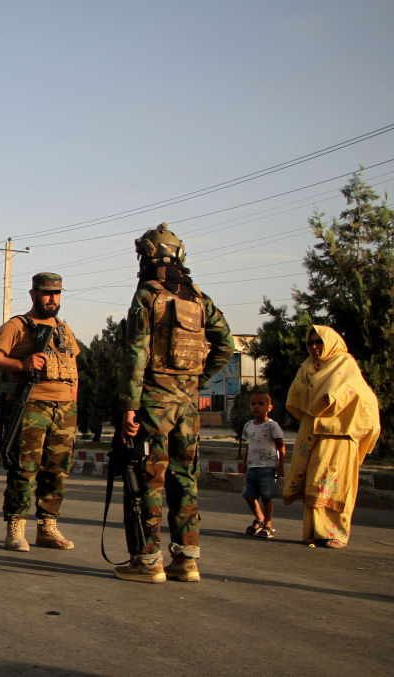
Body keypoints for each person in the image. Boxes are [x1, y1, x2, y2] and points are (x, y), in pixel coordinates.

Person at [115, 223, 234, 583]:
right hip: (188, 407)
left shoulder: (147, 295)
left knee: (150, 479)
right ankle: (186, 560)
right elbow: (226, 345)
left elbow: (137, 352)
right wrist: (196, 379)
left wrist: (129, 405)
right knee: (185, 479)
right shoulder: (198, 297)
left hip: (154, 404)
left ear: (148, 256)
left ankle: (148, 561)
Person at [0, 272, 79, 552]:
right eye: (47, 293)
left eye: (56, 293)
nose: (52, 299)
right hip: (32, 405)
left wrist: (73, 403)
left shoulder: (64, 329)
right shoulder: (17, 326)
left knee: (57, 470)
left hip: (64, 410)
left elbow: (74, 367)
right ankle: (16, 527)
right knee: (24, 469)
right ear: (33, 294)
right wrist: (22, 365)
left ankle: (47, 527)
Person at [283, 325, 380, 548]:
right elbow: (296, 394)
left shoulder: (345, 363)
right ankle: (314, 531)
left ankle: (337, 533)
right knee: (313, 480)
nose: (315, 347)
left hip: (340, 433)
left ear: (330, 343)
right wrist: (315, 394)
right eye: (310, 343)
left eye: (319, 342)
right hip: (312, 430)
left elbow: (344, 393)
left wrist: (321, 395)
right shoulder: (307, 366)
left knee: (334, 483)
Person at [241, 390, 286, 539]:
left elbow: (280, 446)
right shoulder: (248, 425)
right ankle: (259, 518)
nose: (256, 407)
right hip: (252, 466)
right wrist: (245, 461)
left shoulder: (272, 426)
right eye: (253, 404)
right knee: (248, 495)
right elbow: (249, 445)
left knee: (266, 497)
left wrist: (281, 465)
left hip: (267, 467)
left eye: (261, 403)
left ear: (269, 407)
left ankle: (268, 524)